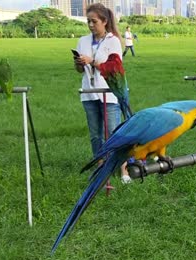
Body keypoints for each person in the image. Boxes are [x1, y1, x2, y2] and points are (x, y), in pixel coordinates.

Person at [73, 3, 131, 184]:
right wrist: (80, 64)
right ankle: (101, 167)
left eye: (94, 21)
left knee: (115, 134)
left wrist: (92, 61)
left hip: (110, 94)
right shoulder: (83, 41)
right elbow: (79, 71)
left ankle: (124, 170)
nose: (90, 25)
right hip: (89, 94)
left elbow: (114, 68)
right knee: (95, 135)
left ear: (105, 21)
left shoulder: (113, 40)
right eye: (88, 21)